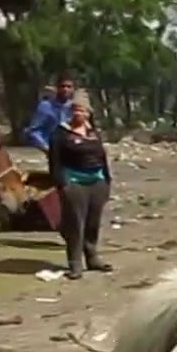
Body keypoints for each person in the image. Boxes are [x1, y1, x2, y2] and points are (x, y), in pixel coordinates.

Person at [48, 101, 113, 279]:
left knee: (93, 222)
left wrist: (107, 180)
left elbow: (102, 156)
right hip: (74, 182)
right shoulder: (60, 133)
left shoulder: (93, 133)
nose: (78, 113)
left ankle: (92, 258)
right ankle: (75, 265)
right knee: (75, 224)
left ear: (88, 113)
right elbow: (54, 160)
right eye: (75, 110)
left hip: (97, 181)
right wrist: (61, 184)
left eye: (82, 110)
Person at [23, 73, 76, 153]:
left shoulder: (75, 107)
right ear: (57, 87)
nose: (65, 89)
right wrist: (46, 148)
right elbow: (34, 131)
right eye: (62, 86)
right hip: (53, 149)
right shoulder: (46, 106)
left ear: (73, 89)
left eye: (69, 87)